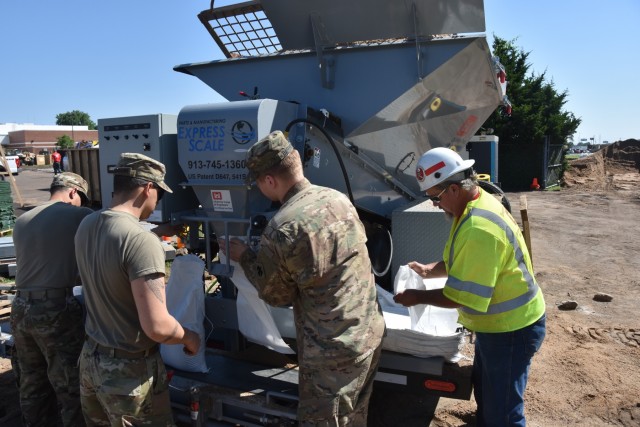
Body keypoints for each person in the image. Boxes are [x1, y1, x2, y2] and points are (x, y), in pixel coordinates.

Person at [218, 131, 385, 426]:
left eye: (258, 183)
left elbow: (277, 296)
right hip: (366, 333)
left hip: (330, 352)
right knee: (354, 415)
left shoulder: (283, 226)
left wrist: (244, 256)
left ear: (270, 180)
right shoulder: (339, 200)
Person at [393, 147, 546, 427]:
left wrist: (417, 296)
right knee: (488, 394)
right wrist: (430, 270)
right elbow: (460, 260)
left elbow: (462, 296)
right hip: (499, 327)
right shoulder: (473, 205)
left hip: (511, 330)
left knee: (504, 414)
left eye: (435, 198)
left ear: (453, 189)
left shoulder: (478, 228)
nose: (435, 205)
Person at [74, 152, 201, 426]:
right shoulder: (141, 241)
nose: (157, 201)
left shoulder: (87, 224)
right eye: (159, 194)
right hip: (129, 375)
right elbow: (157, 327)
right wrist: (190, 338)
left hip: (91, 362)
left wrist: (159, 231)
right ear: (147, 188)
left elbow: (117, 247)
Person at [11, 172, 93, 426]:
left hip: (21, 308)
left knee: (32, 381)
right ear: (73, 192)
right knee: (69, 384)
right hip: (54, 309)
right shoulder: (80, 215)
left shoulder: (23, 219)